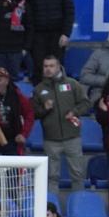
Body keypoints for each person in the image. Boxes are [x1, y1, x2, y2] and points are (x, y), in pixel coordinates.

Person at [33, 54, 90, 198]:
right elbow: (34, 113)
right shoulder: (39, 89)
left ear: (58, 67)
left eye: (51, 66)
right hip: (51, 139)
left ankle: (79, 204)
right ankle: (52, 209)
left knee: (77, 174)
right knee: (52, 176)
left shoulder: (72, 84)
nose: (48, 69)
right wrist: (44, 108)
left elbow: (86, 103)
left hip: (72, 137)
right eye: (46, 66)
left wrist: (75, 112)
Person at [24, 0, 73, 68]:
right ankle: (39, 85)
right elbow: (24, 8)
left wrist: (66, 33)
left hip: (57, 34)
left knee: (58, 69)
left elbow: (69, 10)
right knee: (39, 67)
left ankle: (61, 86)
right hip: (37, 34)